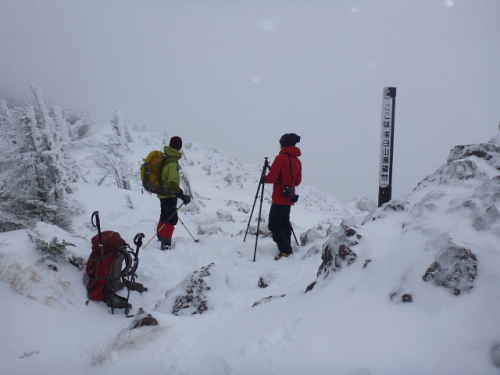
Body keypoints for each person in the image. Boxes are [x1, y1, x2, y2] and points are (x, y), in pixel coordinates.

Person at [262, 133, 302, 260]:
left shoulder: (281, 158)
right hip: (289, 197)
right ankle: (287, 246)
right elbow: (297, 182)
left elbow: (272, 177)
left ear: (283, 144)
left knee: (274, 225)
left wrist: (265, 179)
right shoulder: (297, 161)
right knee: (284, 222)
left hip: (279, 197)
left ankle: (285, 250)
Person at [157, 136, 191, 250]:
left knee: (164, 216)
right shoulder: (172, 161)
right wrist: (182, 195)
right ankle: (165, 244)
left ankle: (160, 237)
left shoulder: (167, 157)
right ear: (179, 147)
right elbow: (172, 183)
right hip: (168, 194)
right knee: (171, 219)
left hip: (163, 194)